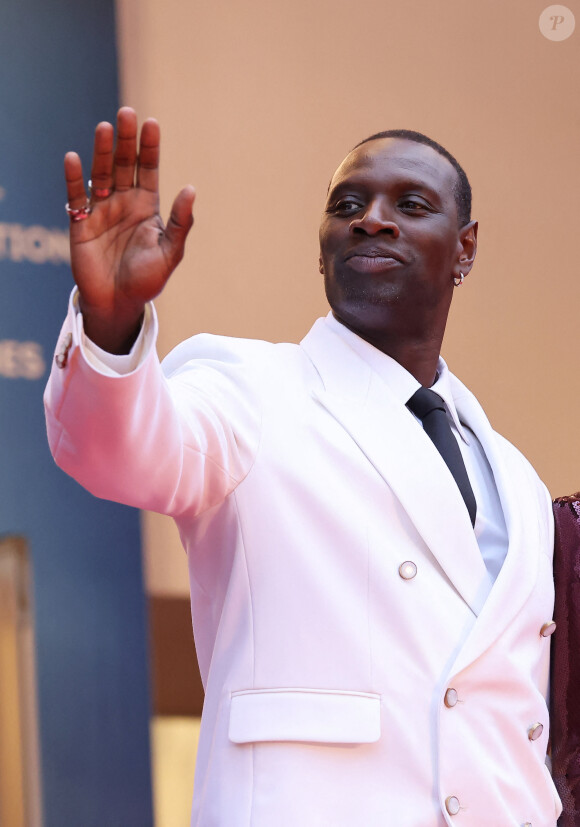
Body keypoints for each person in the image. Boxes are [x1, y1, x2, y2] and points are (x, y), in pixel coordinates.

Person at [44, 108, 561, 826]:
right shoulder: (251, 389)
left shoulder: (519, 482)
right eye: (348, 206)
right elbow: (120, 451)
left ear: (465, 249)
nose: (372, 220)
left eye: (410, 205)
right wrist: (111, 325)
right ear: (321, 250)